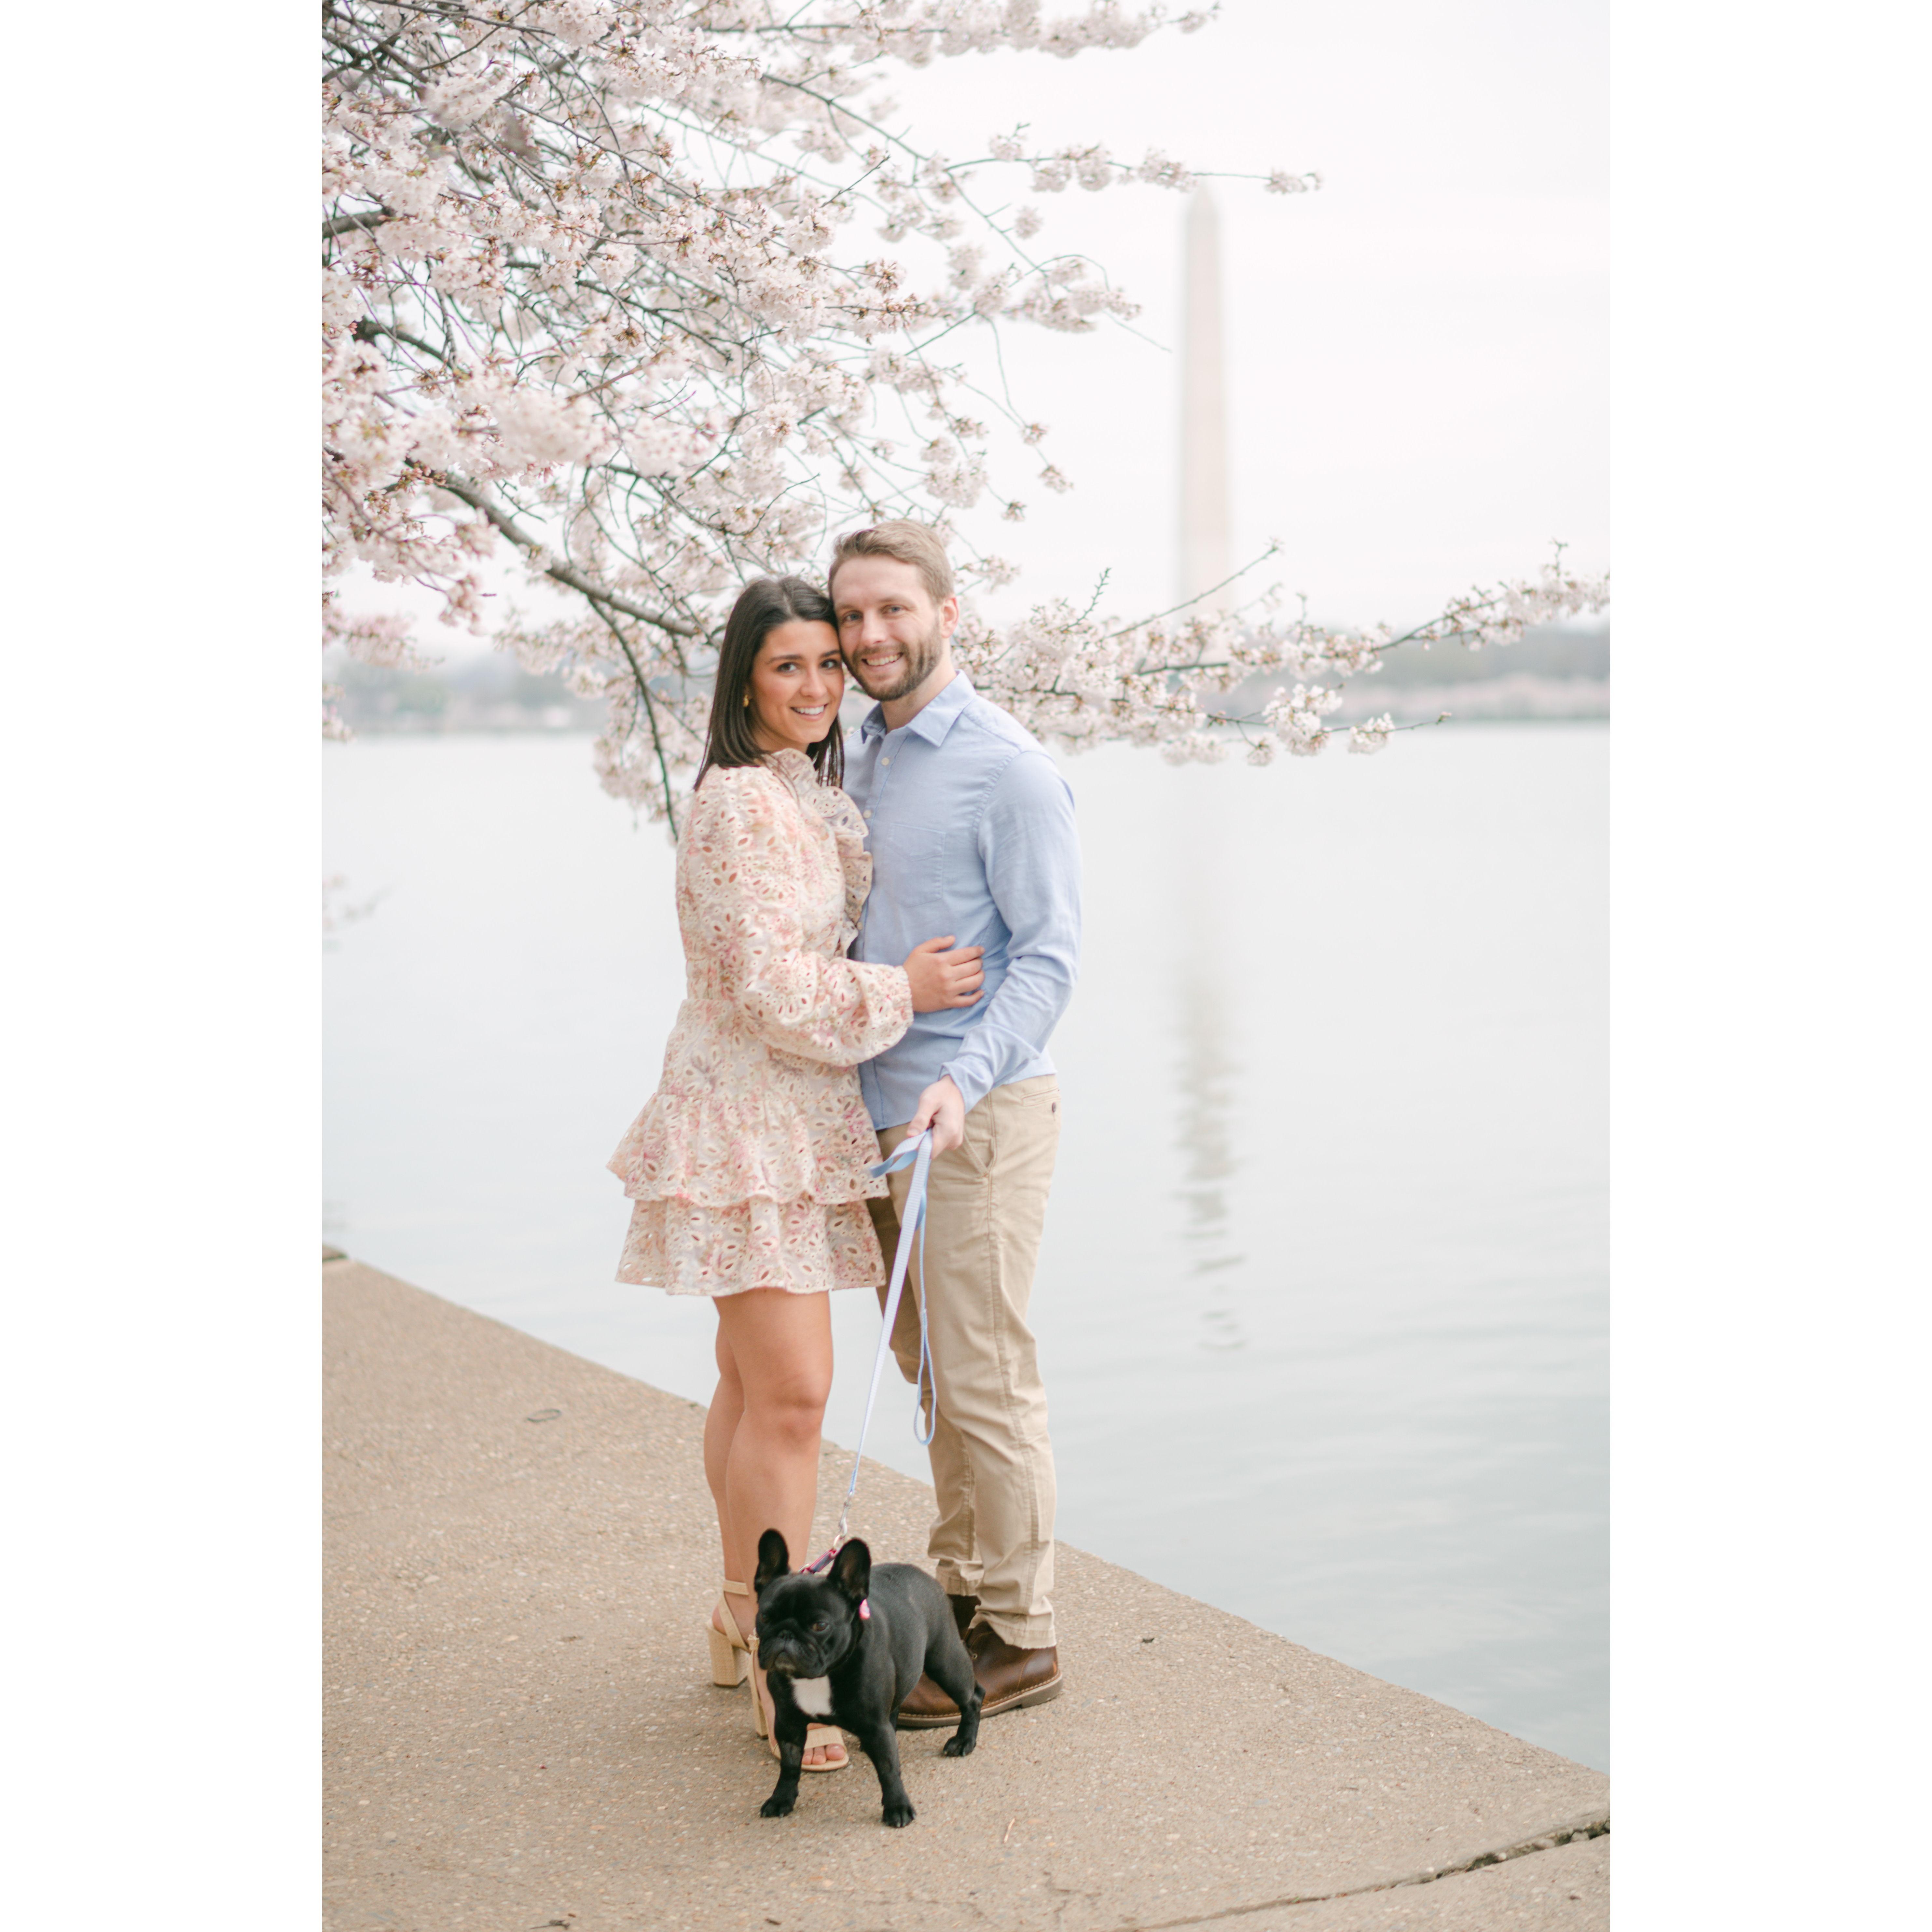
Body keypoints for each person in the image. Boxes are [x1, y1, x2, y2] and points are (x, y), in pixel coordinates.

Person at [606, 575, 985, 1771]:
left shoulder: (792, 791)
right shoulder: (739, 807)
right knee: (793, 1398)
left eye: (832, 663)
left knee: (748, 1383)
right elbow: (771, 988)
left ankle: (735, 1616)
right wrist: (906, 994)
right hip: (749, 1120)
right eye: (791, 669)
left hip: (782, 1113)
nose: (821, 686)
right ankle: (781, 1664)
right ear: (743, 680)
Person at [829, 521, 1082, 1724]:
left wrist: (962, 1081)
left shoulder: (1009, 768)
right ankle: (966, 1595)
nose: (871, 636)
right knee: (930, 1378)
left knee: (987, 1377)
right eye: (853, 616)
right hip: (875, 1120)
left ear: (948, 612)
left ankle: (1024, 1636)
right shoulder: (856, 757)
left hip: (973, 1114)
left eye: (894, 610)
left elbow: (1049, 962)